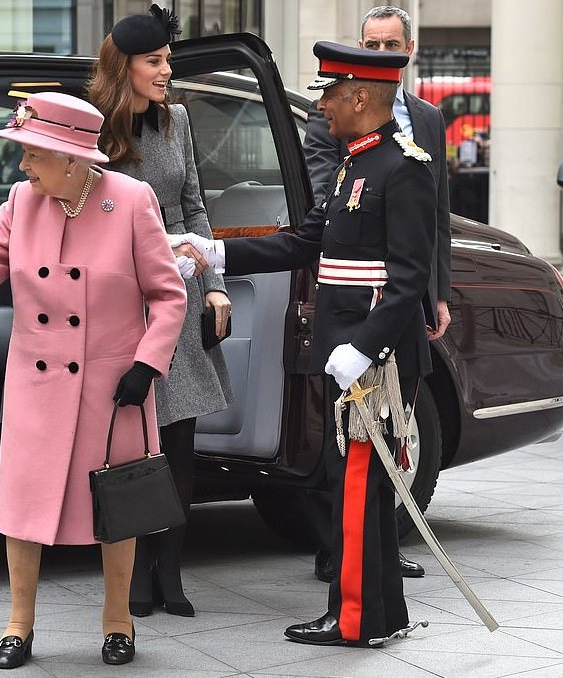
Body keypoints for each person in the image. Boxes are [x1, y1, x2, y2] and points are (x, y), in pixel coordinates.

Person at [0, 91, 187, 668]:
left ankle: (119, 622)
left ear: (70, 158)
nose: (22, 166)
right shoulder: (22, 200)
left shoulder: (132, 201)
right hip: (36, 385)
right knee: (22, 504)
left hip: (111, 389)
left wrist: (146, 364)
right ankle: (18, 625)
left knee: (118, 507)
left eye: (31, 154)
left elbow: (168, 296)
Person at [179, 41, 436, 648]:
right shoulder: (354, 163)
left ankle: (352, 618)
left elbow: (407, 281)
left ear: (362, 96)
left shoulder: (404, 169)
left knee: (354, 488)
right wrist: (216, 251)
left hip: (375, 363)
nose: (322, 105)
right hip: (351, 353)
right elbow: (304, 242)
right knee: (361, 487)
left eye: (330, 93)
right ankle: (382, 614)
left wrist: (363, 349)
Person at [87, 3, 232, 619]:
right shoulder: (94, 129)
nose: (168, 69)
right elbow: (88, 217)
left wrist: (217, 282)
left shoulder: (177, 121)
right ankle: (133, 576)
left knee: (177, 443)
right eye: (156, 61)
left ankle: (170, 573)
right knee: (128, 443)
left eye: (168, 59)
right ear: (126, 68)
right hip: (122, 300)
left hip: (182, 293)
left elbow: (195, 207)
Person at [302, 4, 451, 583]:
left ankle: (370, 577)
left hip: (383, 322)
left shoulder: (421, 133)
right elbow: (325, 219)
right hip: (355, 314)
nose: (381, 55)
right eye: (372, 44)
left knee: (386, 447)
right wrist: (217, 252)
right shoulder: (341, 140)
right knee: (348, 456)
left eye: (391, 46)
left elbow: (429, 225)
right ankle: (351, 568)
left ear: (407, 51)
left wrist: (434, 292)